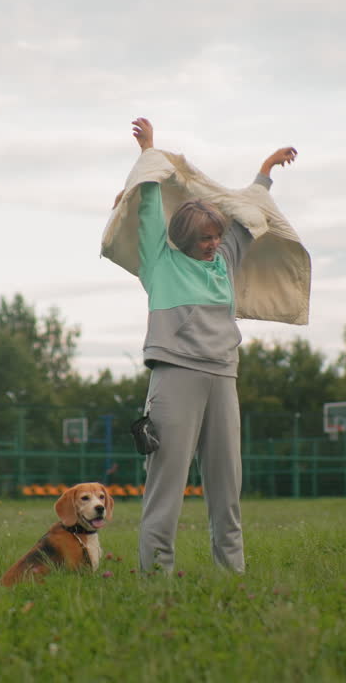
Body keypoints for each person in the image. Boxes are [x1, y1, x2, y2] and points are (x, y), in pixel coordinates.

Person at [124, 117, 297, 573]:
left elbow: (248, 212)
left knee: (227, 491)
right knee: (166, 492)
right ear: (183, 237)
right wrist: (148, 151)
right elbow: (147, 204)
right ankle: (156, 585)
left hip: (223, 376)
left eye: (216, 236)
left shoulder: (223, 259)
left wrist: (265, 171)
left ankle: (232, 580)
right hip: (175, 377)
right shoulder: (160, 263)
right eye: (205, 238)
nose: (214, 243)